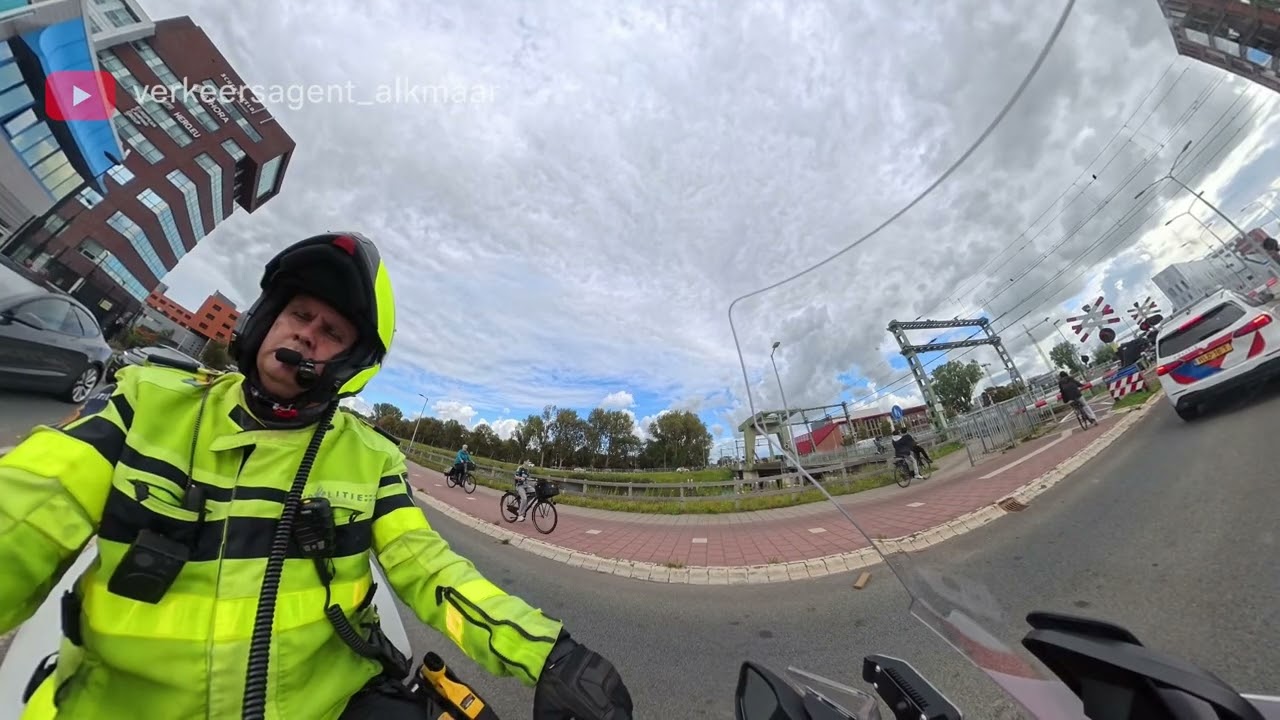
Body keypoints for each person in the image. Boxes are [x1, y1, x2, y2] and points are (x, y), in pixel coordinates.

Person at [0, 232, 633, 720]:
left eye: (331, 331)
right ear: (266, 316)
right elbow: (30, 504)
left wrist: (547, 652)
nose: (307, 333)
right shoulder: (148, 404)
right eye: (299, 314)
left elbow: (427, 569)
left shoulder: (370, 457)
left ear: (352, 361)